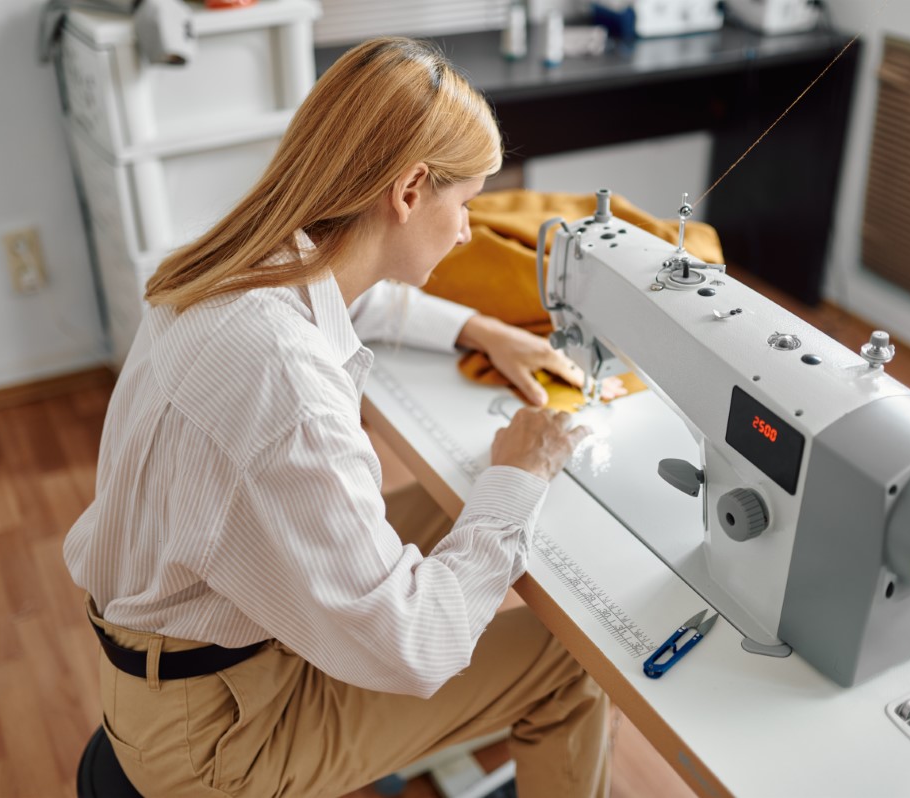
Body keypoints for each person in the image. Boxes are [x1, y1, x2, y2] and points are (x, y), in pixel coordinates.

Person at [64, 36, 612, 797]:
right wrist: (518, 476)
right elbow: (417, 646)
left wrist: (475, 329)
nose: (466, 230)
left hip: (173, 660)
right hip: (213, 742)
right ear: (411, 190)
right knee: (566, 661)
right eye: (467, 202)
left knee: (453, 500)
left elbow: (359, 289)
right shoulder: (285, 382)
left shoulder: (234, 260)